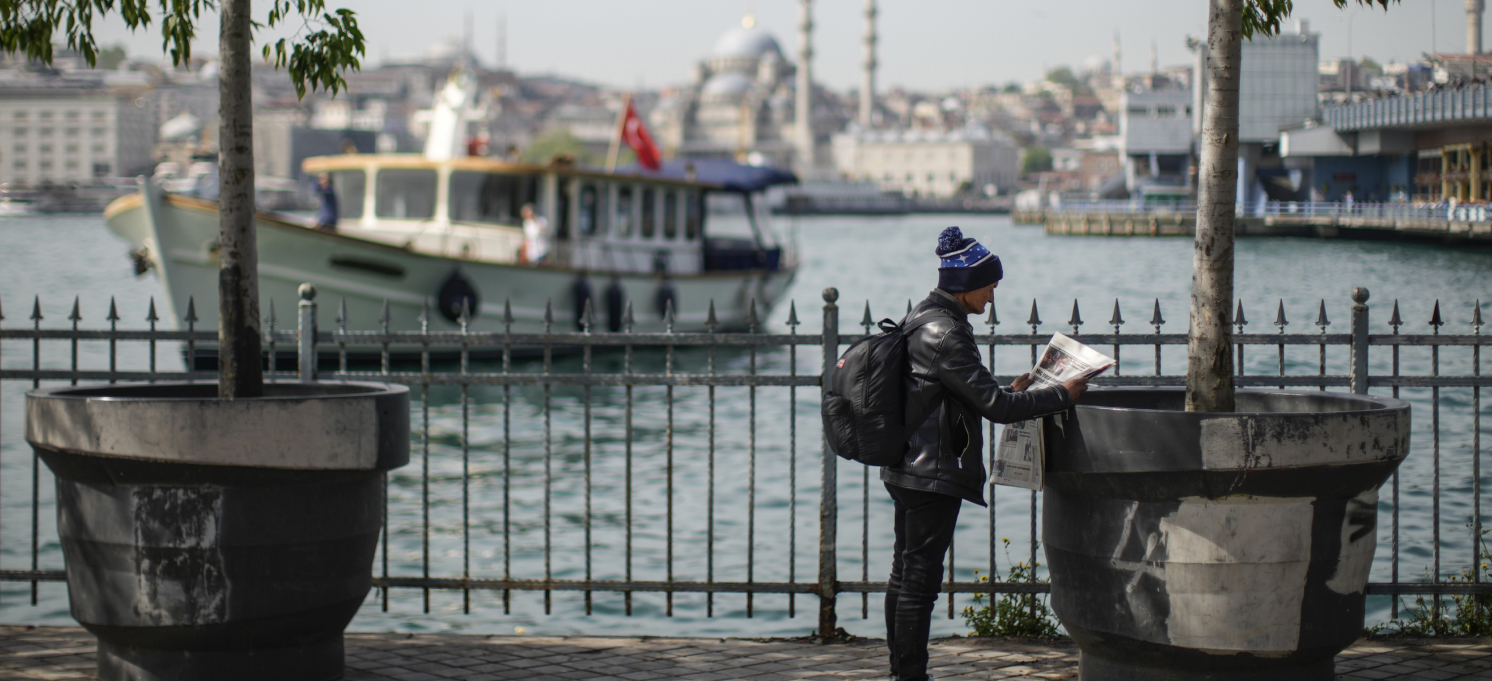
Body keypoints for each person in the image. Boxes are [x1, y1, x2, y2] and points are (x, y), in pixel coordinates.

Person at [882, 226, 1088, 681]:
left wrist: (1010, 390)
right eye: (990, 286)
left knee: (904, 573)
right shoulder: (948, 332)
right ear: (966, 283)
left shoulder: (923, 316)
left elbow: (950, 391)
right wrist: (1062, 394)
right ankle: (909, 676)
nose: (992, 297)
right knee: (919, 583)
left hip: (906, 466)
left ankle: (901, 672)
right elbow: (995, 408)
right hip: (932, 473)